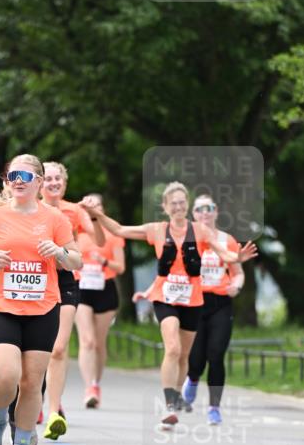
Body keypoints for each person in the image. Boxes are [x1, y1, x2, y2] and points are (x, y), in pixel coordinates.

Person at [83, 181, 257, 429]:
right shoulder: (156, 229)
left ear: (186, 205)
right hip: (165, 297)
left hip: (193, 299)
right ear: (165, 207)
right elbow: (120, 230)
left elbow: (225, 255)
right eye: (173, 203)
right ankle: (168, 405)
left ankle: (176, 399)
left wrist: (237, 257)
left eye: (181, 202)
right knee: (173, 348)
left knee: (184, 355)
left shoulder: (200, 232)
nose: (178, 207)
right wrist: (97, 215)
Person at [0, 154, 81, 445]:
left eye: (26, 175)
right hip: (4, 304)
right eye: (13, 174)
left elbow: (77, 260)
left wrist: (59, 253)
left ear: (39, 182)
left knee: (31, 382)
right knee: (6, 375)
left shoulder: (55, 219)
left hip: (43, 306)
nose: (18, 180)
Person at [39, 161, 101, 439]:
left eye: (57, 179)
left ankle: (54, 411)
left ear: (64, 183)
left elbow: (97, 238)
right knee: (36, 348)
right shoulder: (29, 208)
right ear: (40, 182)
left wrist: (95, 215)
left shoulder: (74, 210)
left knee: (59, 348)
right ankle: (33, 396)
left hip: (65, 280)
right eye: (48, 178)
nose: (53, 183)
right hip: (35, 279)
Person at [181, 194, 246, 424]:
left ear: (216, 212)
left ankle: (214, 408)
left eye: (210, 208)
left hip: (220, 303)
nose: (205, 213)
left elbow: (237, 272)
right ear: (194, 214)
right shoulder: (187, 240)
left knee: (216, 355)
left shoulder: (227, 240)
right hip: (195, 302)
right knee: (196, 359)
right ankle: (192, 380)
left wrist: (235, 286)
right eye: (200, 209)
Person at [74, 193, 126, 409]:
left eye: (97, 204)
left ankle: (97, 381)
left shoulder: (112, 233)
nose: (93, 207)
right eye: (89, 204)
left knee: (99, 341)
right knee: (87, 340)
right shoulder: (76, 232)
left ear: (102, 209)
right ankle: (89, 388)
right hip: (82, 288)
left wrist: (104, 261)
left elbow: (120, 267)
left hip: (105, 288)